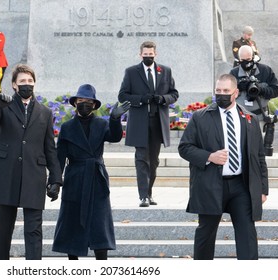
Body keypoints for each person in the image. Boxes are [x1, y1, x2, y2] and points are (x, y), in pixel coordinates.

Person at [178, 74, 268, 260]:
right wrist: (209, 156)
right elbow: (184, 148)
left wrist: (263, 189)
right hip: (210, 184)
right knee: (206, 233)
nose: (221, 95)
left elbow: (259, 156)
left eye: (226, 91)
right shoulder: (200, 117)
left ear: (236, 93)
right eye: (218, 91)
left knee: (247, 233)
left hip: (241, 186)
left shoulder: (249, 119)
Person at [0, 64, 62, 260]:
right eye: (22, 81)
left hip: (34, 174)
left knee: (34, 227)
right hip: (6, 172)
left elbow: (50, 148)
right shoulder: (4, 106)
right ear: (14, 85)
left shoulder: (45, 112)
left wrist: (56, 179)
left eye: (30, 81)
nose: (27, 85)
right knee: (5, 224)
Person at [52, 84, 130, 260]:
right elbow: (59, 158)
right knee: (72, 227)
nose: (84, 104)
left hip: (96, 179)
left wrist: (115, 119)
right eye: (80, 101)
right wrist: (55, 182)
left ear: (94, 105)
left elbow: (115, 137)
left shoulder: (101, 124)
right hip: (75, 179)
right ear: (75, 103)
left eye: (88, 101)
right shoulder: (67, 127)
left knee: (99, 228)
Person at [118, 41, 179, 207]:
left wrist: (162, 99)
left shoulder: (165, 71)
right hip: (140, 122)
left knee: (154, 161)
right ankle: (143, 196)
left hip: (158, 122)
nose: (148, 58)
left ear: (155, 54)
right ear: (140, 55)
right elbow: (123, 96)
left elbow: (174, 94)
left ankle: (149, 193)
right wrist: (140, 100)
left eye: (150, 55)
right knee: (141, 159)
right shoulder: (131, 72)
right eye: (145, 56)